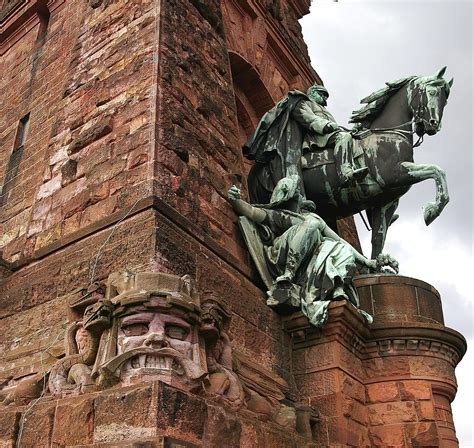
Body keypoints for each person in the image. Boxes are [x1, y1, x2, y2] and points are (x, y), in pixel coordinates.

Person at [228, 176, 397, 327]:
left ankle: (335, 286)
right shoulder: (278, 215)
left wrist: (366, 262)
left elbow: (340, 240)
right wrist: (236, 201)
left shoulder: (313, 218)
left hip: (310, 261)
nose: (301, 196)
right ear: (291, 195)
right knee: (312, 225)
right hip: (281, 257)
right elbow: (250, 211)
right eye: (297, 192)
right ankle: (288, 275)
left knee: (341, 248)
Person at [243, 85, 368, 202]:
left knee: (349, 138)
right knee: (344, 137)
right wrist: (325, 125)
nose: (325, 100)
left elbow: (333, 125)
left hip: (327, 134)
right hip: (315, 137)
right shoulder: (303, 102)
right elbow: (307, 117)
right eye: (322, 95)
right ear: (312, 92)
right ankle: (345, 174)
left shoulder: (323, 109)